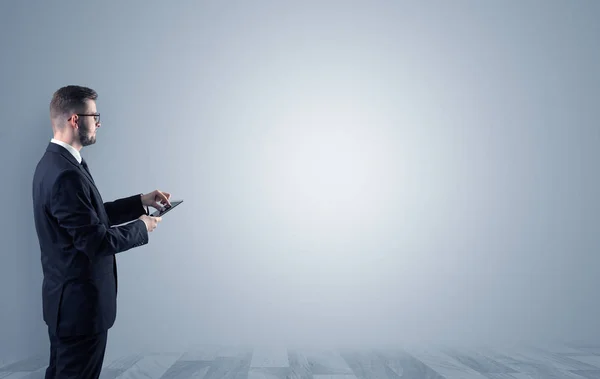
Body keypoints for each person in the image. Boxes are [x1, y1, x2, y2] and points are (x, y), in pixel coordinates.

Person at [31, 85, 171, 379]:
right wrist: (142, 227)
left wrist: (139, 202)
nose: (98, 123)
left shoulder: (55, 163)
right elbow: (96, 241)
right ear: (74, 120)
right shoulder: (66, 173)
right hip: (80, 310)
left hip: (66, 305)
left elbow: (88, 218)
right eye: (95, 116)